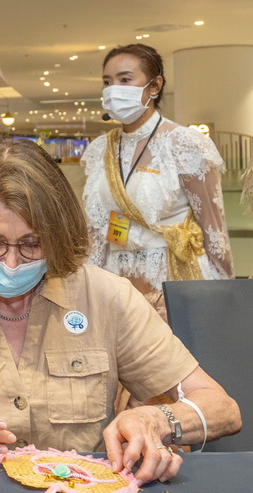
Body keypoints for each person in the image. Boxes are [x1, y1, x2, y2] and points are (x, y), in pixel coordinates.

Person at [0, 139, 241, 485]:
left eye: (32, 244)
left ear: (58, 236)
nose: (11, 263)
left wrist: (159, 420)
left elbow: (222, 408)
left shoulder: (107, 298)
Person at [82, 44, 233, 317]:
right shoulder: (98, 150)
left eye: (125, 79)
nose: (114, 89)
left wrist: (226, 297)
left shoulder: (184, 143)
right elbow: (95, 232)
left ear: (154, 86)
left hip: (174, 281)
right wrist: (86, 287)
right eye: (107, 82)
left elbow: (214, 229)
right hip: (116, 281)